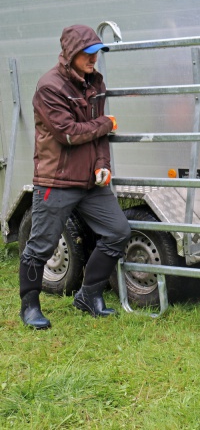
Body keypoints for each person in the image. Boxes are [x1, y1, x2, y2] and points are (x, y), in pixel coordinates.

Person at [19, 24, 131, 329]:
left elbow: (96, 135)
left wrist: (102, 163)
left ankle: (89, 295)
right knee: (40, 246)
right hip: (56, 181)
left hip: (90, 182)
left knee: (118, 232)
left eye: (97, 53)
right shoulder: (49, 87)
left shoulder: (95, 83)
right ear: (71, 54)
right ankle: (29, 306)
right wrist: (107, 123)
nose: (94, 59)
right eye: (89, 53)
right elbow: (69, 133)